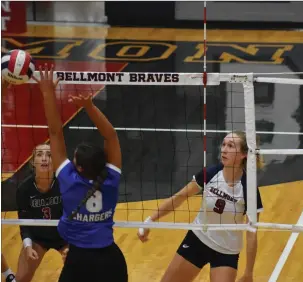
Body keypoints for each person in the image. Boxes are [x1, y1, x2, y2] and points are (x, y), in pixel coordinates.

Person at [33, 64, 127, 282]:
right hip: (110, 259)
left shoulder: (68, 179)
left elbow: (55, 132)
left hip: (80, 260)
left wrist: (47, 93)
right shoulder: (110, 178)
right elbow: (111, 137)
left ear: (80, 168)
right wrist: (89, 106)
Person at [138, 131, 264, 282]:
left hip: (226, 252)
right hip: (197, 240)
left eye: (230, 146)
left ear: (244, 154)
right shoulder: (210, 174)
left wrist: (249, 273)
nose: (224, 149)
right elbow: (179, 198)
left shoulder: (248, 188)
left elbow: (251, 233)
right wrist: (150, 220)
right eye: (223, 144)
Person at [15, 143, 68, 282]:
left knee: (82, 275)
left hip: (65, 237)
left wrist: (74, 244)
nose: (44, 158)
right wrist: (27, 246)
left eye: (49, 155)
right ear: (33, 162)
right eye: (39, 155)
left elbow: (75, 215)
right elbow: (23, 222)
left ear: (55, 160)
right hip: (38, 238)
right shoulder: (24, 189)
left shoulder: (65, 183)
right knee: (21, 279)